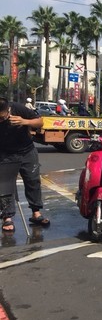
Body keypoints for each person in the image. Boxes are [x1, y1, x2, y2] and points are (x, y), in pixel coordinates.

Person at [0, 96, 48, 233]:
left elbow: (40, 122)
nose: (1, 120)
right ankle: (7, 217)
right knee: (5, 185)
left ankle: (36, 213)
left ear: (8, 110)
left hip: (27, 151)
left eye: (3, 117)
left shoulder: (18, 108)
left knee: (33, 181)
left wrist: (24, 121)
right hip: (5, 154)